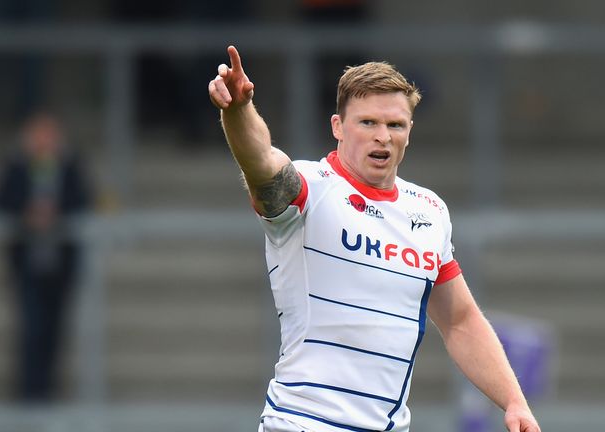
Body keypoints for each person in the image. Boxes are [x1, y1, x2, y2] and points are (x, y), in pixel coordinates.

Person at [209, 46, 541, 432]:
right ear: (338, 126)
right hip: (301, 423)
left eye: (395, 125)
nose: (382, 137)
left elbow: (461, 321)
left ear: (409, 132)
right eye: (367, 122)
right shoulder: (309, 190)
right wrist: (237, 110)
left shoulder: (429, 211)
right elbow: (260, 160)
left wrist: (514, 402)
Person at [0, 111, 92, 402]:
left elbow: (83, 200)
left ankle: (47, 395)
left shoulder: (70, 166)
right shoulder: (16, 165)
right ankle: (29, 395)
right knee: (31, 328)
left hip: (61, 264)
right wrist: (26, 215)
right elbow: (0, 200)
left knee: (54, 330)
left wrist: (56, 216)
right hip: (27, 264)